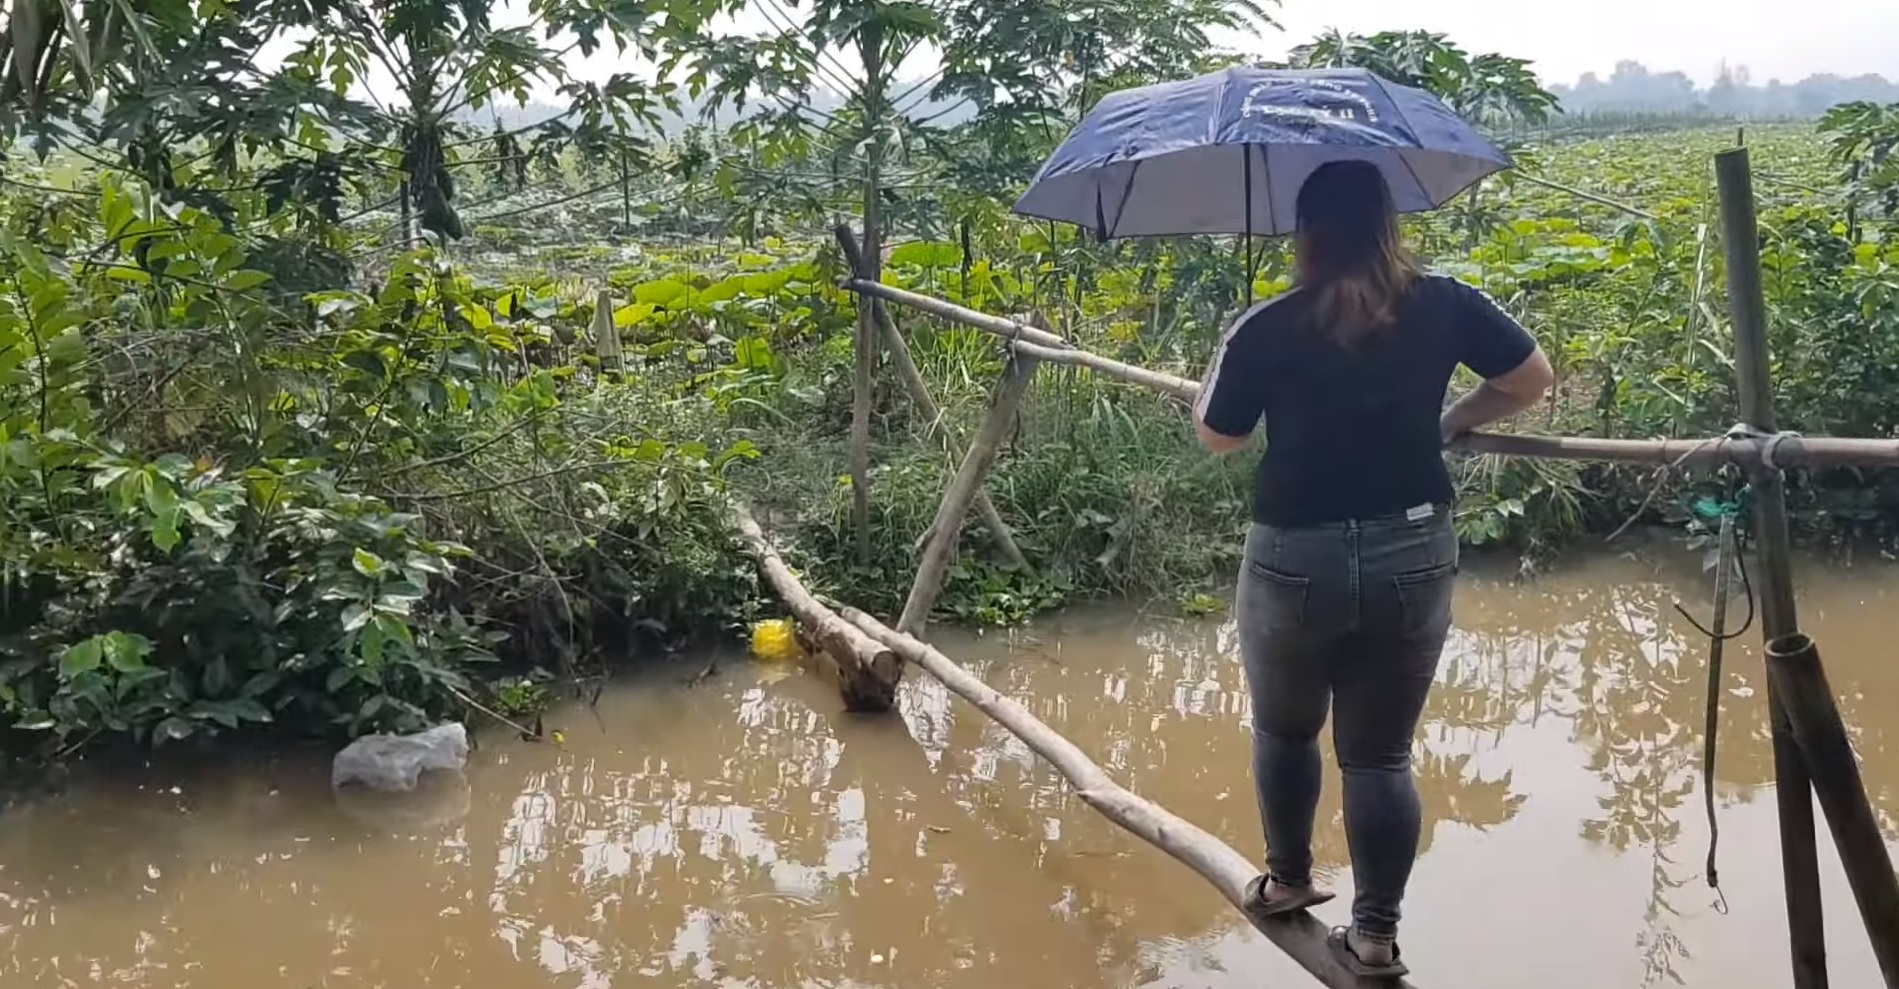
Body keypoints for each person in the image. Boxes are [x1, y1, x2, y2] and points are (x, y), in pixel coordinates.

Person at [1193, 159, 1553, 978]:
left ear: (1305, 233)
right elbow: (1529, 380)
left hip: (1294, 555)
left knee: (1285, 728)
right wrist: (1452, 419)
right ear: (1388, 224)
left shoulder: (1269, 322)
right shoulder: (1448, 300)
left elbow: (1221, 434)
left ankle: (1286, 880)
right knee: (1380, 755)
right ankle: (1376, 935)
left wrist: (1223, 361)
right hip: (1412, 545)